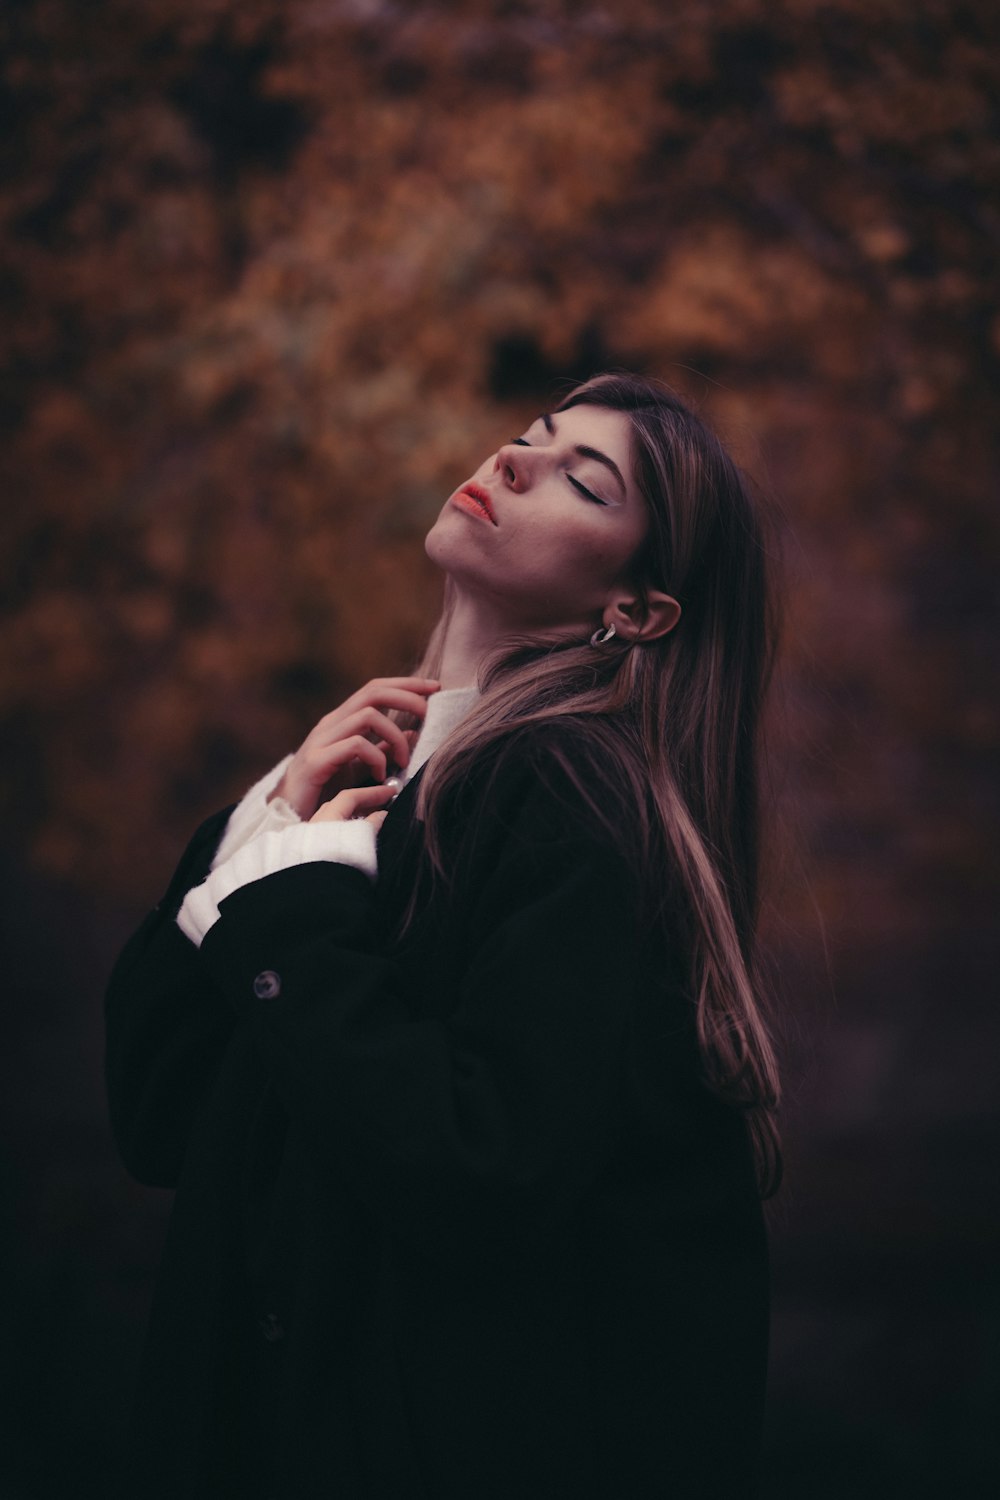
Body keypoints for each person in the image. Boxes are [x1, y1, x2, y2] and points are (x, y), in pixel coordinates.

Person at [105, 371, 782, 1499]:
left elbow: (483, 1169)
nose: (511, 460)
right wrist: (257, 828)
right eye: (530, 434)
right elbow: (160, 1120)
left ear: (634, 610)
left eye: (583, 480)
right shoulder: (373, 797)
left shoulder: (568, 794)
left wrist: (291, 910)